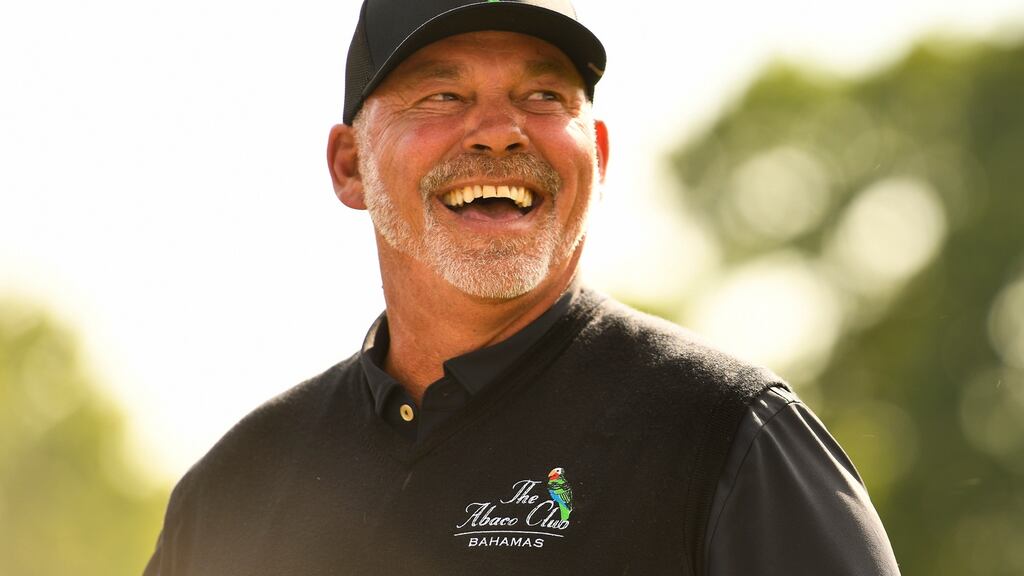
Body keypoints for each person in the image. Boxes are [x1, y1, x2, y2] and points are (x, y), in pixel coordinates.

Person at [144, 1, 901, 574]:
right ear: (350, 167)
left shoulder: (730, 436)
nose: (500, 130)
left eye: (543, 96)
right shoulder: (233, 491)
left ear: (597, 154)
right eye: (442, 97)